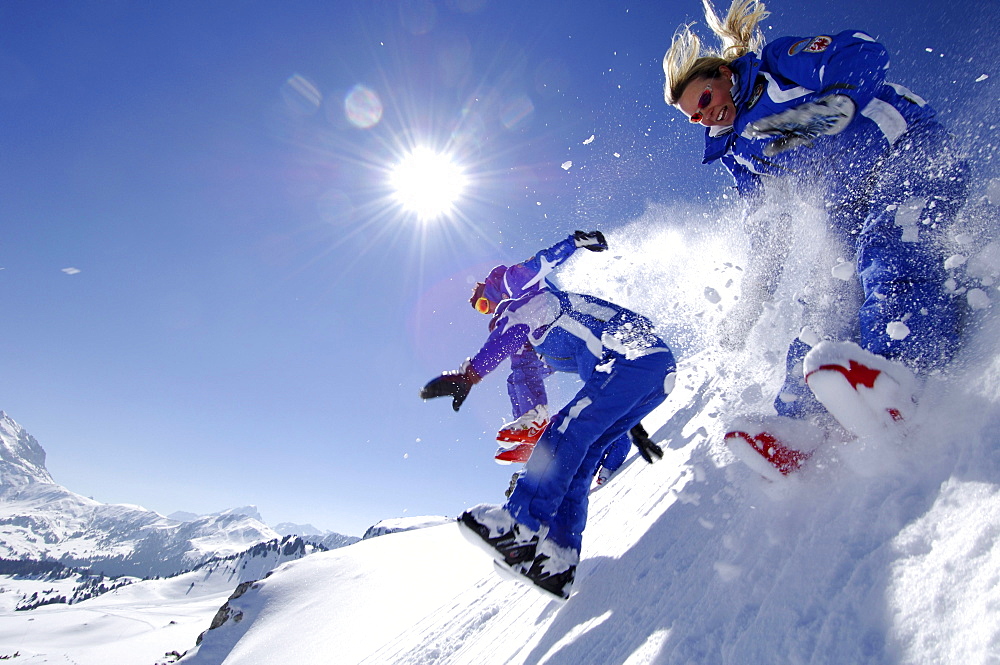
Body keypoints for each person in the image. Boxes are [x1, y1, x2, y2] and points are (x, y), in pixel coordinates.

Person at [662, 0, 969, 477]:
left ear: (724, 74)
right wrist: (752, 299)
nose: (704, 116)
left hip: (907, 151)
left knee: (887, 250)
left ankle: (902, 368)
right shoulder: (736, 151)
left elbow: (861, 52)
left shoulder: (778, 67)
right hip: (845, 205)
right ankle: (799, 423)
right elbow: (768, 225)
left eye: (703, 100)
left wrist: (837, 102)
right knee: (827, 295)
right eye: (693, 118)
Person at [420, 231, 677, 599]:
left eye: (487, 308)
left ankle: (518, 526)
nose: (493, 318)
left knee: (564, 432)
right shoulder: (548, 344)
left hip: (634, 356)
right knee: (581, 454)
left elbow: (533, 279)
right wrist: (634, 430)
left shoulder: (528, 298)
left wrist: (469, 375)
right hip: (646, 372)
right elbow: (525, 367)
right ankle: (558, 559)